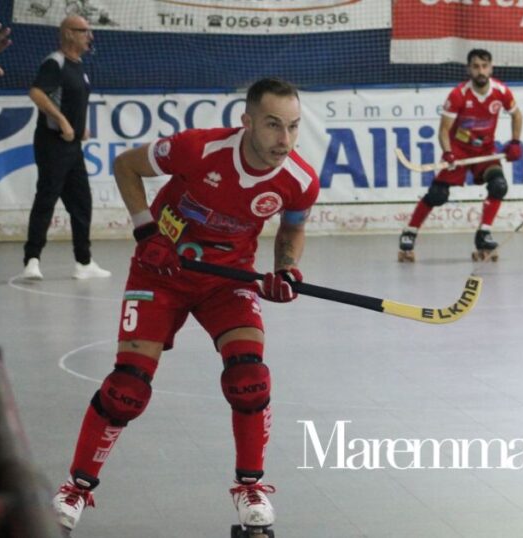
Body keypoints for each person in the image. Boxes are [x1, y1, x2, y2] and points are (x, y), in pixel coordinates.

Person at [51, 77, 320, 534]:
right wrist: (146, 232)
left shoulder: (299, 180)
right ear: (247, 121)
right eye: (274, 125)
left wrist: (286, 271)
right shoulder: (197, 149)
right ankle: (76, 488)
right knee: (126, 389)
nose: (284, 139)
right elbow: (125, 166)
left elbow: (292, 230)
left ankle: (250, 487)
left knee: (249, 378)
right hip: (161, 272)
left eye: (293, 127)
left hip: (226, 283)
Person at [397, 48, 523, 262]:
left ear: (491, 68)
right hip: (459, 150)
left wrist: (515, 141)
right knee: (438, 195)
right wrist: (447, 153)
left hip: (486, 150)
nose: (480, 71)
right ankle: (410, 232)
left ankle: (484, 233)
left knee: (498, 185)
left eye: (484, 66)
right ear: (468, 69)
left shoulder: (501, 91)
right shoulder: (458, 95)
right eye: (476, 66)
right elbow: (444, 130)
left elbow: (517, 115)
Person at [22, 15, 110, 280]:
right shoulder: (55, 62)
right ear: (69, 33)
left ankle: (83, 262)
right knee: (47, 198)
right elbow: (37, 93)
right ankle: (32, 260)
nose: (89, 36)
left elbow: (72, 100)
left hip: (73, 147)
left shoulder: (79, 66)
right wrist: (62, 121)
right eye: (84, 31)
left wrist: (79, 126)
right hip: (52, 143)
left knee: (82, 202)